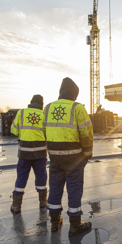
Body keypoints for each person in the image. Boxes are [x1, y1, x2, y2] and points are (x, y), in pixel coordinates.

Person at [43, 77, 93, 234]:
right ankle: (75, 225)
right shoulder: (77, 108)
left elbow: (44, 130)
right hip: (74, 157)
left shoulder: (48, 107)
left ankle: (54, 222)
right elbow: (86, 133)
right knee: (74, 189)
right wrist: (87, 154)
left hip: (55, 157)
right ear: (74, 93)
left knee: (55, 188)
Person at [10, 95, 48, 213]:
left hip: (24, 153)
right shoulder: (44, 115)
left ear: (31, 102)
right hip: (40, 153)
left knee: (21, 177)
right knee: (41, 176)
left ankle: (16, 206)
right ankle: (43, 202)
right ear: (42, 104)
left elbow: (14, 130)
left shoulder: (21, 113)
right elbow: (48, 133)